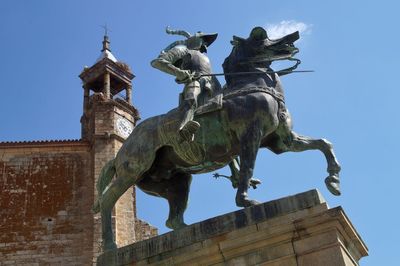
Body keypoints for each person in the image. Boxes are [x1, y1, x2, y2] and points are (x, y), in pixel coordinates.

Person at [151, 27, 221, 142]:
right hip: (195, 82)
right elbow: (158, 63)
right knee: (191, 98)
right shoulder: (183, 50)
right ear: (194, 39)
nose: (205, 44)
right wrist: (179, 73)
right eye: (203, 40)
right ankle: (183, 129)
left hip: (212, 85)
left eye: (206, 42)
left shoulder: (205, 57)